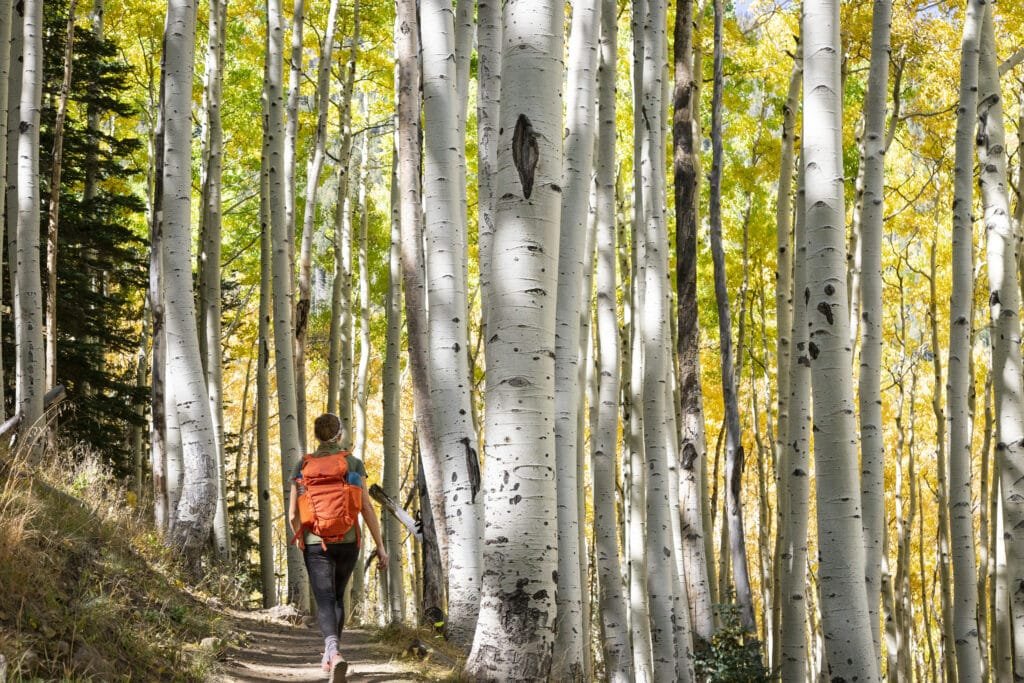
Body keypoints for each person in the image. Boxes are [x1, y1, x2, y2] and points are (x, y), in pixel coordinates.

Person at [288, 413, 388, 681]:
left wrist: (299, 538)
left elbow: (291, 514)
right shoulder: (352, 463)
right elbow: (366, 507)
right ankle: (333, 654)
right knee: (338, 596)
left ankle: (332, 653)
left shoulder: (302, 465)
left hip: (314, 541)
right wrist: (380, 546)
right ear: (339, 435)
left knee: (324, 600)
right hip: (348, 540)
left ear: (317, 436)